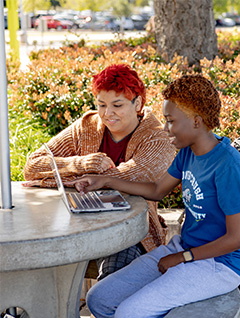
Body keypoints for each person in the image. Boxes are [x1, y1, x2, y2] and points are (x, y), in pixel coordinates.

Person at [72, 74, 240, 318]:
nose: (166, 129)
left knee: (128, 317)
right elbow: (157, 190)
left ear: (196, 121)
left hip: (219, 265)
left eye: (170, 121)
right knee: (99, 299)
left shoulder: (229, 166)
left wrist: (182, 259)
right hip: (184, 248)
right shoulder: (189, 152)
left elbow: (236, 239)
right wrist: (107, 180)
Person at [24, 64, 175, 280]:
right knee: (39, 255)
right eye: (101, 104)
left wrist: (79, 179)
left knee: (114, 277)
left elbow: (134, 176)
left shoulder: (157, 137)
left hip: (131, 230)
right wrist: (81, 164)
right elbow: (32, 166)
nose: (107, 113)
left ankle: (102, 313)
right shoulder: (86, 126)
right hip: (77, 222)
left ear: (138, 103)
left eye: (117, 105)